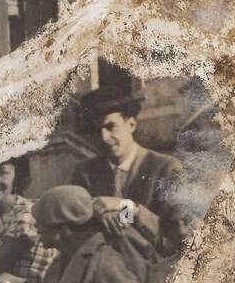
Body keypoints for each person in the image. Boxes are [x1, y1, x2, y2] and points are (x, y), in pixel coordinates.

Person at [72, 84, 187, 260]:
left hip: (152, 272)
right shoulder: (84, 173)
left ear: (131, 124)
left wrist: (126, 207)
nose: (103, 137)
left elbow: (176, 238)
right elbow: (73, 230)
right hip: (103, 272)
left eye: (110, 127)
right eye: (95, 131)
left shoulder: (166, 168)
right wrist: (97, 213)